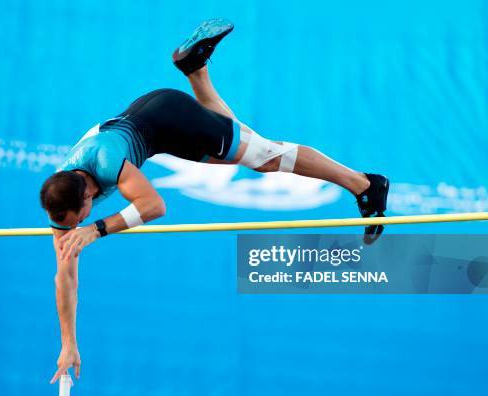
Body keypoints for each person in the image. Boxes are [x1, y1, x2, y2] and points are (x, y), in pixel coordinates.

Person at [43, 18, 389, 384]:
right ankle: (195, 68)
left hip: (170, 119)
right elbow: (64, 274)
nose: (73, 225)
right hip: (154, 120)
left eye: (78, 218)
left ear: (87, 195)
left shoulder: (107, 164)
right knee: (242, 140)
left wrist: (96, 231)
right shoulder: (62, 195)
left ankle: (365, 184)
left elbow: (154, 207)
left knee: (267, 156)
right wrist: (69, 343)